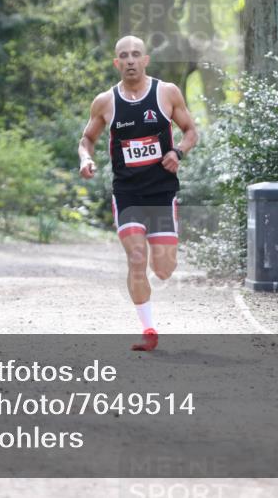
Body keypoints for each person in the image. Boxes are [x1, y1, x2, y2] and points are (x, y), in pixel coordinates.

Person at [78, 35, 199, 351]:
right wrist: (86, 158)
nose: (130, 60)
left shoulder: (167, 93)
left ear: (146, 60)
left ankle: (163, 254)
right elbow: (86, 138)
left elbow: (191, 131)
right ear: (116, 63)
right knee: (135, 257)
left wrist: (178, 153)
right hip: (127, 192)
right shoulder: (105, 102)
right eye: (123, 56)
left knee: (163, 270)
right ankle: (148, 330)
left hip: (161, 191)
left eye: (136, 55)